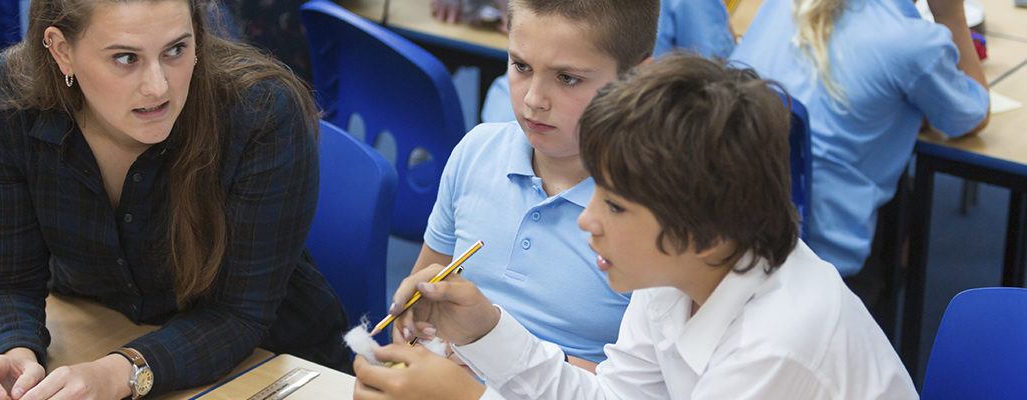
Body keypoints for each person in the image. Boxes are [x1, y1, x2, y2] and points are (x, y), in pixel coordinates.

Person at [354, 55, 917, 399]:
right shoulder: (681, 274)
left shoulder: (776, 348)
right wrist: (484, 331)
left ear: (705, 233)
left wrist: (472, 399)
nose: (586, 219)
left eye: (616, 206)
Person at [0, 0, 350, 399]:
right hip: (101, 335)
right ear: (62, 51)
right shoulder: (7, 100)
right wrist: (12, 350)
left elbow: (237, 316)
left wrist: (119, 374)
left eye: (176, 50)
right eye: (126, 58)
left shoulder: (261, 113)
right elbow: (0, 280)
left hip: (275, 365)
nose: (158, 87)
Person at [393, 0, 659, 373]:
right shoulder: (477, 151)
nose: (534, 99)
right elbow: (420, 300)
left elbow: (645, 388)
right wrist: (414, 322)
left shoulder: (659, 212)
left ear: (636, 80)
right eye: (520, 66)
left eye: (567, 78)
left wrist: (488, 361)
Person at [729, 0, 990, 313]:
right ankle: (877, 319)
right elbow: (971, 118)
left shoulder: (781, 6)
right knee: (908, 198)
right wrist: (952, 17)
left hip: (736, 227)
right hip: (825, 257)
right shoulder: (910, 42)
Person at [478, 0, 735, 123]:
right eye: (521, 65)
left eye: (567, 78)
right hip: (594, 129)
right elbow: (717, 81)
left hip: (510, 116)